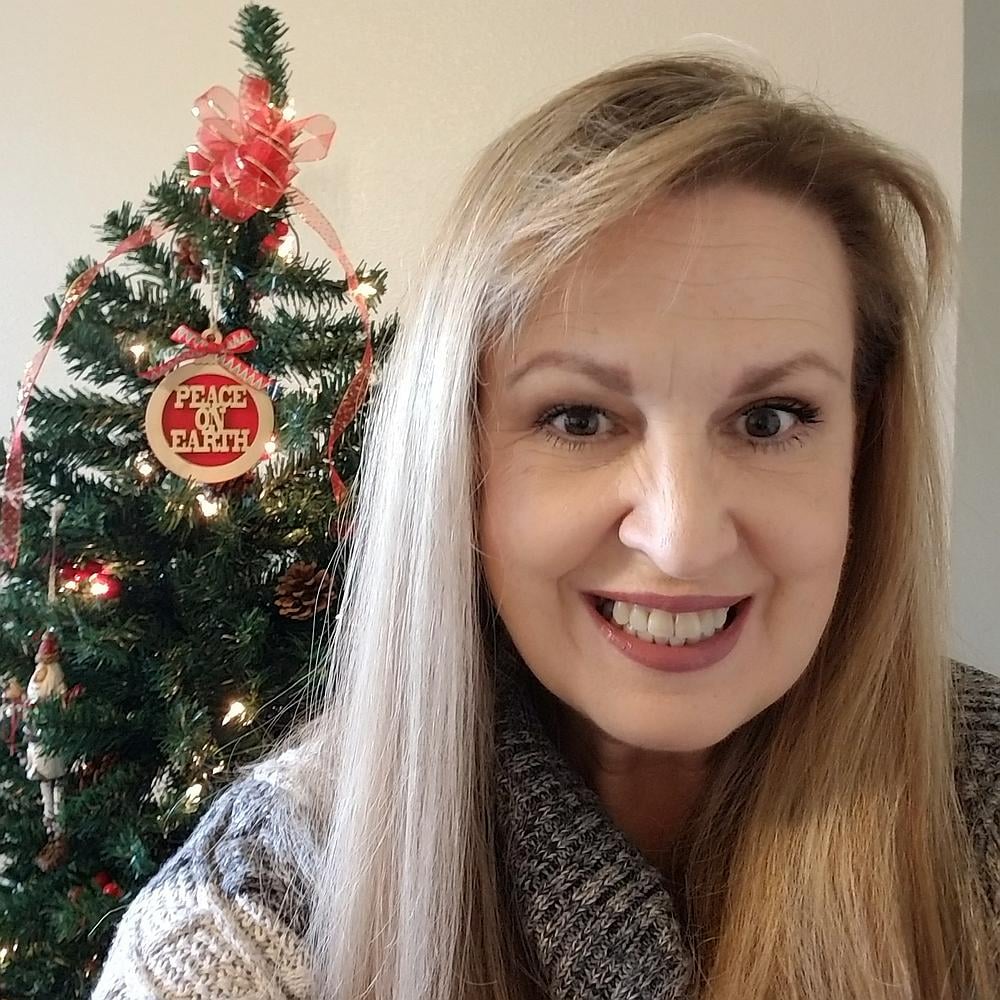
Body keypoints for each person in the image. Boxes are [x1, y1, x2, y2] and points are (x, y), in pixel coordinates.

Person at [92, 51, 1000, 1000]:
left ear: (865, 449)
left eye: (770, 420)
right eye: (580, 419)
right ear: (463, 457)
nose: (682, 539)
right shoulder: (261, 900)